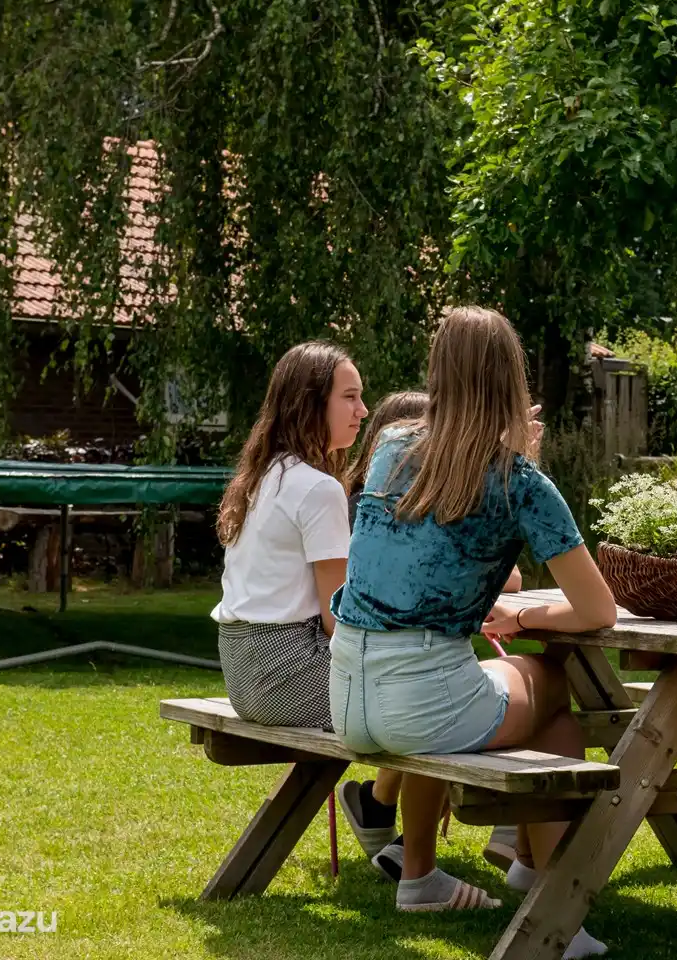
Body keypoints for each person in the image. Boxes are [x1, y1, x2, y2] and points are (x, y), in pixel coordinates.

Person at [329, 306, 613, 959]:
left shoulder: (390, 449)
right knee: (547, 684)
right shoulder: (521, 483)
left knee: (484, 684)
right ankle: (552, 904)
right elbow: (598, 611)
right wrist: (525, 617)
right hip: (420, 702)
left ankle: (447, 871)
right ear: (513, 377)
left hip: (349, 699)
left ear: (439, 371)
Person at [335, 388, 528, 875]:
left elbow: (514, 578)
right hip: (372, 674)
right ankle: (513, 832)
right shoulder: (382, 507)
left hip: (364, 674)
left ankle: (382, 809)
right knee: (453, 691)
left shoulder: (381, 496)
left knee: (435, 687)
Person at [211, 341, 368, 728]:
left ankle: (375, 794)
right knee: (426, 697)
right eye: (349, 398)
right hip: (286, 676)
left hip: (242, 675)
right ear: (311, 404)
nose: (362, 411)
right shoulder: (318, 488)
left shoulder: (262, 477)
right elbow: (338, 618)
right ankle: (379, 794)